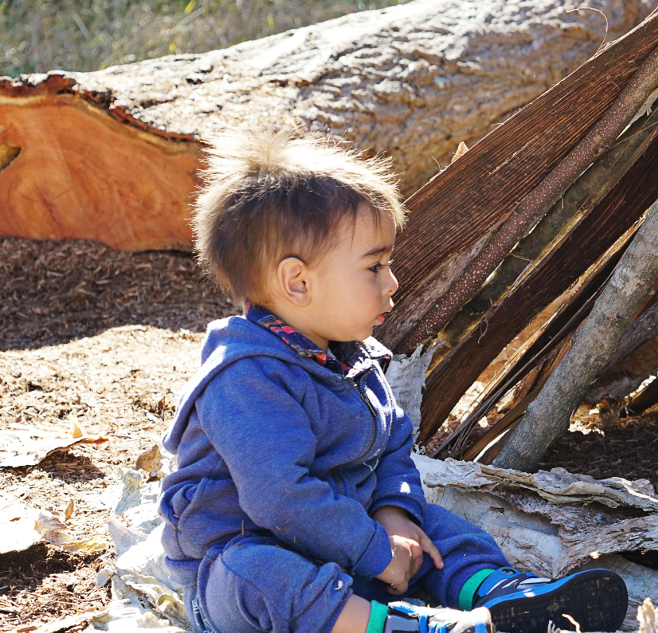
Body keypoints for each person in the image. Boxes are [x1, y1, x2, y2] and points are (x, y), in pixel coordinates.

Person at [158, 132, 628, 633]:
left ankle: (500, 595)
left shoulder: (348, 357)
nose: (393, 281)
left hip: (354, 537)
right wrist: (374, 549)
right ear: (298, 282)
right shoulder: (244, 377)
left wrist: (393, 512)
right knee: (261, 577)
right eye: (374, 266)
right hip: (254, 549)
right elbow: (280, 499)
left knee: (438, 527)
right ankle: (404, 627)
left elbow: (392, 442)